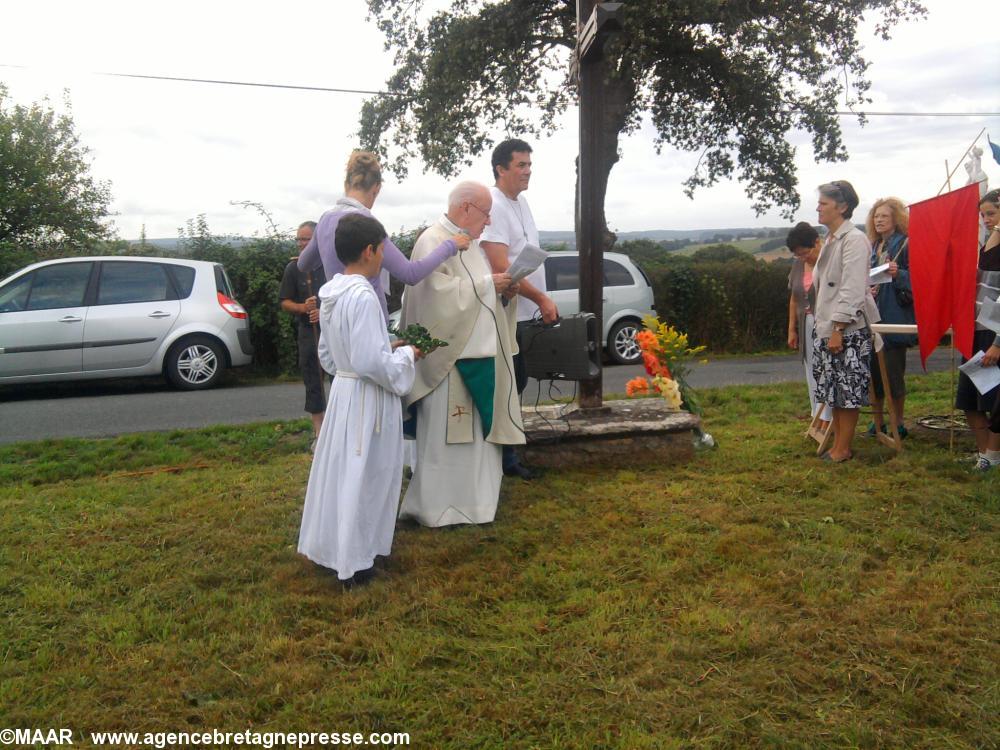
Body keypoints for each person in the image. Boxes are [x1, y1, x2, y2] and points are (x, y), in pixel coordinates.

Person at [297, 213, 422, 585]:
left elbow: (330, 355)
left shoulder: (333, 291)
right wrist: (406, 356)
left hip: (344, 394)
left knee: (341, 473)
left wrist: (385, 345)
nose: (383, 257)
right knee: (365, 474)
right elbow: (369, 361)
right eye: (382, 250)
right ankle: (355, 560)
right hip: (367, 398)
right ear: (369, 251)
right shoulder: (364, 294)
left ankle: (333, 548)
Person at [398, 181, 525, 527]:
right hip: (449, 365)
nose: (488, 223)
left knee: (475, 444)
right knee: (447, 441)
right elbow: (432, 299)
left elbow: (477, 296)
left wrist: (503, 293)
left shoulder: (470, 246)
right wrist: (488, 286)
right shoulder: (433, 241)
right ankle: (438, 508)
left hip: (477, 356)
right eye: (486, 214)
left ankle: (475, 506)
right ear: (466, 208)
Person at [297, 150, 471, 321]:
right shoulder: (366, 225)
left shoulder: (325, 220)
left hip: (335, 318)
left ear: (347, 183)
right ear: (376, 188)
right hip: (368, 319)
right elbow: (410, 274)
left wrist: (328, 252)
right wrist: (451, 245)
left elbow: (303, 264)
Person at [480, 138, 559, 480]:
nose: (528, 171)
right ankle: (504, 458)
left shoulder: (521, 202)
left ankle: (507, 450)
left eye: (530, 165)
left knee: (518, 380)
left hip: (523, 312)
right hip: (503, 310)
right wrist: (541, 298)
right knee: (509, 381)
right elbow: (500, 265)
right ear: (501, 169)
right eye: (521, 165)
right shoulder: (494, 205)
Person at [812, 180, 880, 462]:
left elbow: (852, 289)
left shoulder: (854, 240)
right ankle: (837, 445)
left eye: (823, 203)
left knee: (848, 390)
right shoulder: (832, 239)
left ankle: (843, 448)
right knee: (834, 390)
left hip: (848, 329)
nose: (818, 207)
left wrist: (839, 328)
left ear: (842, 207)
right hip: (828, 326)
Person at [955, 188, 1000, 471]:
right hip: (975, 328)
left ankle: (993, 456)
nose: (985, 219)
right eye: (982, 214)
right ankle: (984, 453)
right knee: (969, 398)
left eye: (991, 213)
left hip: (994, 332)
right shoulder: (986, 243)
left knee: (995, 401)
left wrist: (999, 342)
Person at [865, 197, 917, 439]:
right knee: (874, 377)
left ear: (896, 218)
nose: (879, 220)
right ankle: (878, 422)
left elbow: (919, 279)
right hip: (873, 317)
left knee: (894, 375)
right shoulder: (874, 246)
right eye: (876, 216)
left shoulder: (905, 244)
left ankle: (898, 422)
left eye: (884, 216)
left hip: (894, 318)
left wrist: (899, 274)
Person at [279, 221, 327, 441]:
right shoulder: (294, 268)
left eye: (306, 239)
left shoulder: (331, 265)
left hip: (333, 332)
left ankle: (337, 432)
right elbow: (284, 302)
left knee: (339, 380)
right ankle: (319, 434)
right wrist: (303, 308)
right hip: (308, 333)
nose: (301, 243)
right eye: (299, 239)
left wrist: (323, 312)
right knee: (313, 381)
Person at [785, 222, 832, 429]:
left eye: (804, 253)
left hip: (826, 321)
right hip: (806, 321)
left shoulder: (828, 262)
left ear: (816, 243)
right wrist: (791, 329)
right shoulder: (797, 265)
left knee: (826, 370)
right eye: (798, 255)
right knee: (811, 369)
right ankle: (816, 414)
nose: (802, 258)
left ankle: (827, 418)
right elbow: (794, 298)